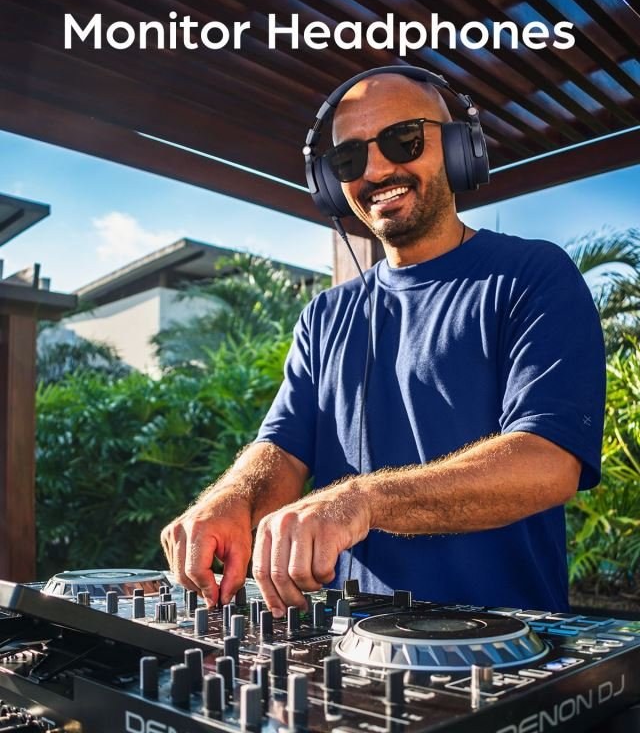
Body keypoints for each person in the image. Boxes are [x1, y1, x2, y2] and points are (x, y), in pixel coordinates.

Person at [161, 72, 605, 616]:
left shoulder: (532, 275)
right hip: (351, 642)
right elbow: (281, 449)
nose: (374, 171)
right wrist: (229, 498)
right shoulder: (324, 315)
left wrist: (362, 501)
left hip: (504, 644)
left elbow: (549, 461)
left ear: (460, 149)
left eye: (404, 140)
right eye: (349, 159)